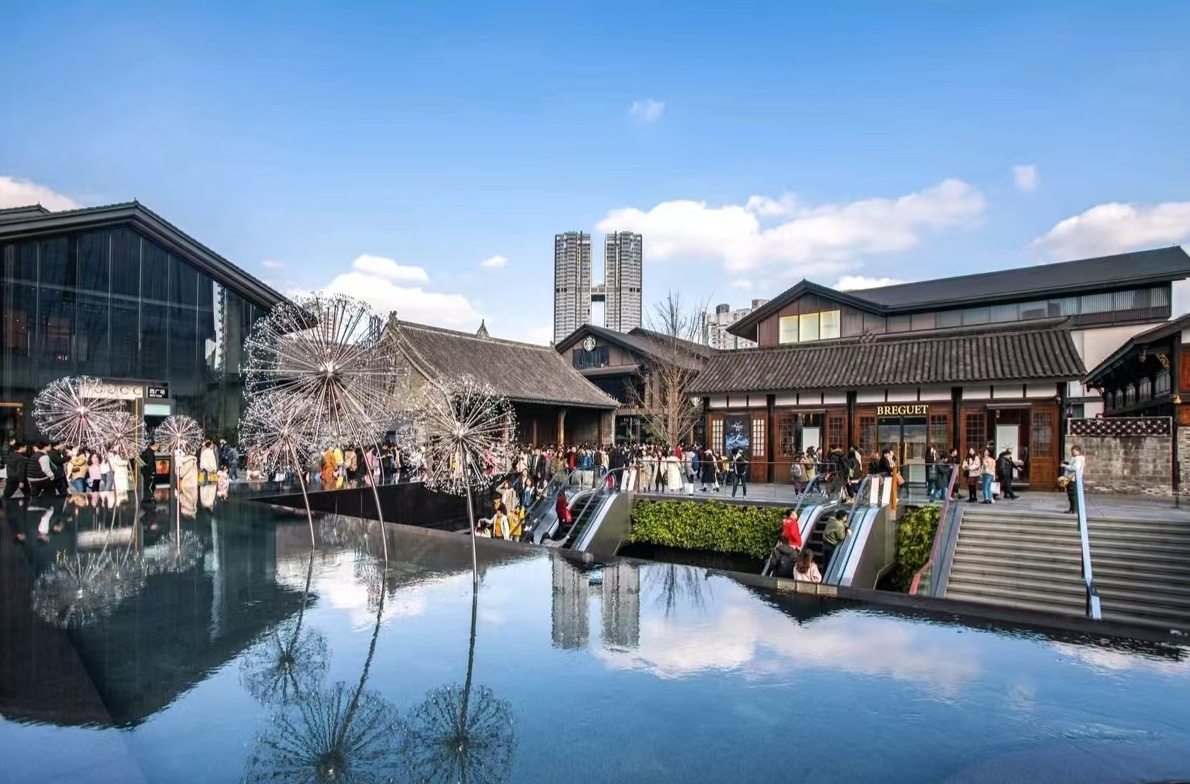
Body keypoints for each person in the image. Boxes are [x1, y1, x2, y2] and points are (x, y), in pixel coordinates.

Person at [1060, 445, 1085, 514]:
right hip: (1072, 478)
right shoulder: (1076, 458)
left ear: (1078, 451)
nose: (1072, 452)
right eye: (1072, 451)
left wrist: (1065, 466)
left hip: (1073, 478)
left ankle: (1073, 509)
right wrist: (1068, 463)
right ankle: (1072, 509)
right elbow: (1073, 465)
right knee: (1071, 494)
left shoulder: (1078, 459)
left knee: (1072, 494)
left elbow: (1075, 468)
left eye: (1073, 451)